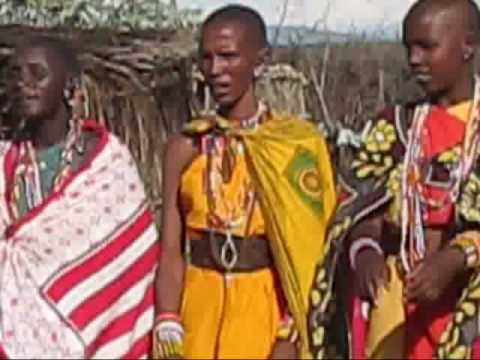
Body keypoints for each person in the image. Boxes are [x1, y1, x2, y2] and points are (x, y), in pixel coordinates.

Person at [154, 4, 336, 359]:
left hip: (266, 318)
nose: (215, 70)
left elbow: (314, 253)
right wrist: (167, 321)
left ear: (260, 60)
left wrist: (291, 335)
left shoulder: (295, 146)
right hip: (197, 315)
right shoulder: (185, 147)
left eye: (228, 56)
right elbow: (171, 251)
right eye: (206, 58)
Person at [307, 0, 480, 358]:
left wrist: (456, 257)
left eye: (426, 46)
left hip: (466, 314)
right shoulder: (394, 127)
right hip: (397, 304)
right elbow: (356, 208)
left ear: (468, 45)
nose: (414, 59)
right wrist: (365, 250)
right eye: (408, 47)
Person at [0, 35, 159, 358]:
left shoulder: (107, 166)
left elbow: (128, 259)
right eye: (15, 74)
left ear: (68, 85)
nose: (23, 84)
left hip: (93, 336)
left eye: (37, 73)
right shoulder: (5, 161)